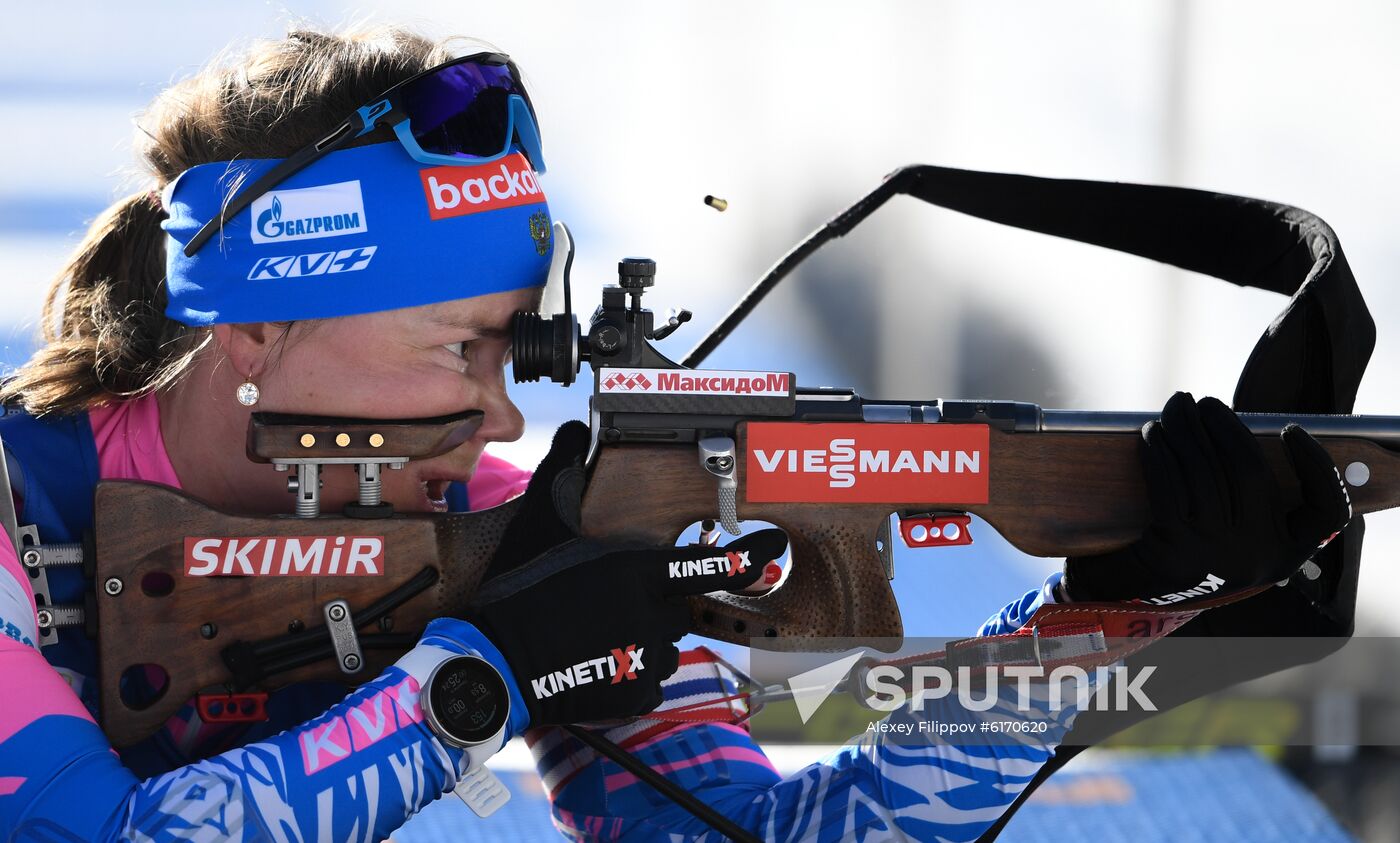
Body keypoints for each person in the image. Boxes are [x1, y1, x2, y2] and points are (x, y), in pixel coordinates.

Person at [0, 24, 1351, 843]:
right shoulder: (16, 515)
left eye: (517, 341)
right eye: (458, 347)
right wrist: (481, 678)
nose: (506, 408)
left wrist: (1088, 626)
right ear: (254, 331)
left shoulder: (489, 519)